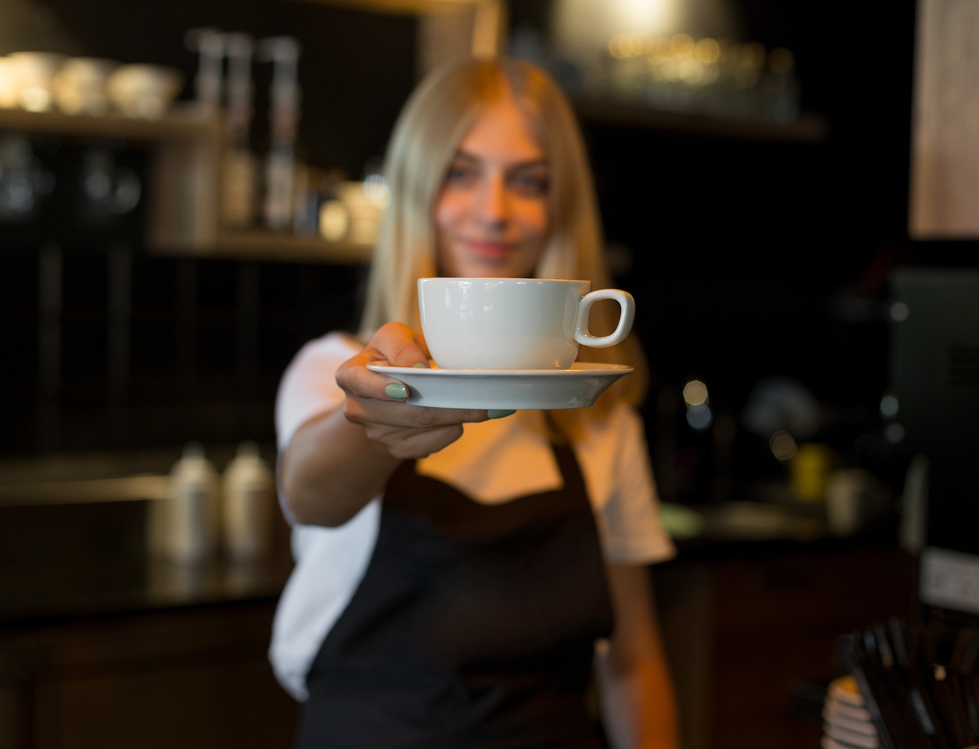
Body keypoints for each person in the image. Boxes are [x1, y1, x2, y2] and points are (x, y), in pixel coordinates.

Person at [270, 56, 680, 749]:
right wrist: (371, 414)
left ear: (560, 207)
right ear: (416, 189)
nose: (493, 210)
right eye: (461, 173)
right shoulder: (334, 367)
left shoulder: (595, 412)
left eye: (528, 181)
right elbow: (310, 495)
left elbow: (632, 657)